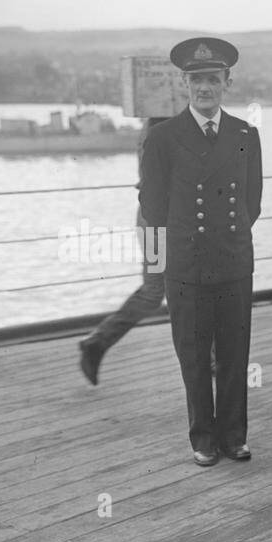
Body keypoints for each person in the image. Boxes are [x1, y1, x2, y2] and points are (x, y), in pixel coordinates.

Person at [139, 37, 261, 467]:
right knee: (193, 355)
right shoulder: (162, 138)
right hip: (186, 266)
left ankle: (234, 436)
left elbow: (253, 202)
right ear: (184, 83)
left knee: (234, 353)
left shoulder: (246, 134)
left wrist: (230, 242)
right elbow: (152, 208)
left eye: (213, 79)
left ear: (227, 82)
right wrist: (158, 267)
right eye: (196, 80)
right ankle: (202, 438)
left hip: (233, 261)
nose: (204, 88)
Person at [78, 119, 168, 386]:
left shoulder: (156, 124)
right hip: (163, 219)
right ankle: (210, 361)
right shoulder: (167, 126)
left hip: (157, 217)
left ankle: (98, 342)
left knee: (159, 292)